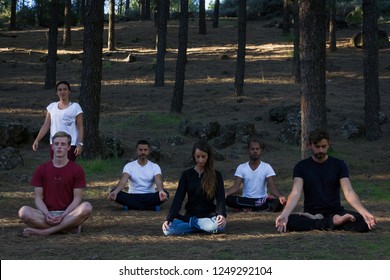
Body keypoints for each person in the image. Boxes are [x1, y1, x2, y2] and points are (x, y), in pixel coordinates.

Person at [275, 129, 377, 233]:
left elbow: (349, 191)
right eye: (317, 147)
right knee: (289, 221)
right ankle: (333, 222)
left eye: (324, 147)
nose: (320, 150)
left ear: (329, 145)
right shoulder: (301, 167)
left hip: (335, 211)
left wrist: (364, 212)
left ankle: (322, 221)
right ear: (309, 145)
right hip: (312, 212)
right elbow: (295, 192)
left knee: (362, 223)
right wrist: (285, 214)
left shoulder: (339, 165)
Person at [18, 131, 93, 237]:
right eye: (56, 144)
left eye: (63, 144)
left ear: (68, 148)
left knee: (87, 207)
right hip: (45, 215)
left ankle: (45, 231)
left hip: (69, 214)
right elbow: (38, 198)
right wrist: (47, 214)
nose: (59, 147)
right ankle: (66, 228)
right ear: (52, 147)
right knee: (23, 212)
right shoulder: (41, 169)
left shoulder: (77, 170)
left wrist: (63, 215)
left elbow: (77, 199)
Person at [162, 140, 227, 236]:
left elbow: (220, 198)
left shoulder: (216, 175)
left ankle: (194, 225)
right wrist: (170, 218)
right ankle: (201, 227)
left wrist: (222, 215)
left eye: (203, 157)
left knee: (217, 226)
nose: (200, 160)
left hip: (209, 217)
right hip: (190, 215)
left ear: (208, 156)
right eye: (198, 157)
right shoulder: (186, 175)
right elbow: (178, 197)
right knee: (168, 230)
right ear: (193, 156)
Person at [225, 139, 287, 212]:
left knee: (277, 203)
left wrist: (280, 197)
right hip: (246, 199)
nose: (255, 151)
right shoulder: (241, 167)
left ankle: (247, 208)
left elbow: (272, 187)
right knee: (229, 199)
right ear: (248, 150)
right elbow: (236, 187)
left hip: (262, 200)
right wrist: (226, 194)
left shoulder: (267, 167)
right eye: (252, 149)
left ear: (261, 151)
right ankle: (258, 208)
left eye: (257, 149)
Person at [108, 140, 169, 211]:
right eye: (140, 150)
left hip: (149, 196)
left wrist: (161, 191)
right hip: (133, 196)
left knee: (166, 193)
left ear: (149, 151)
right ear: (136, 151)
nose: (143, 152)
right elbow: (123, 180)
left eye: (145, 150)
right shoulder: (129, 166)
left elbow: (158, 180)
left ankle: (131, 206)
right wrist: (116, 191)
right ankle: (150, 207)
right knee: (115, 192)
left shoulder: (155, 166)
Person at [32, 81, 84, 161]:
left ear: (69, 91)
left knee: (68, 169)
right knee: (56, 167)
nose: (62, 92)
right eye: (60, 90)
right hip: (55, 144)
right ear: (57, 92)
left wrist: (80, 144)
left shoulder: (76, 107)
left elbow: (80, 126)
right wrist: (37, 140)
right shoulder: (52, 107)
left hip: (70, 144)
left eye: (65, 89)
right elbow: (46, 125)